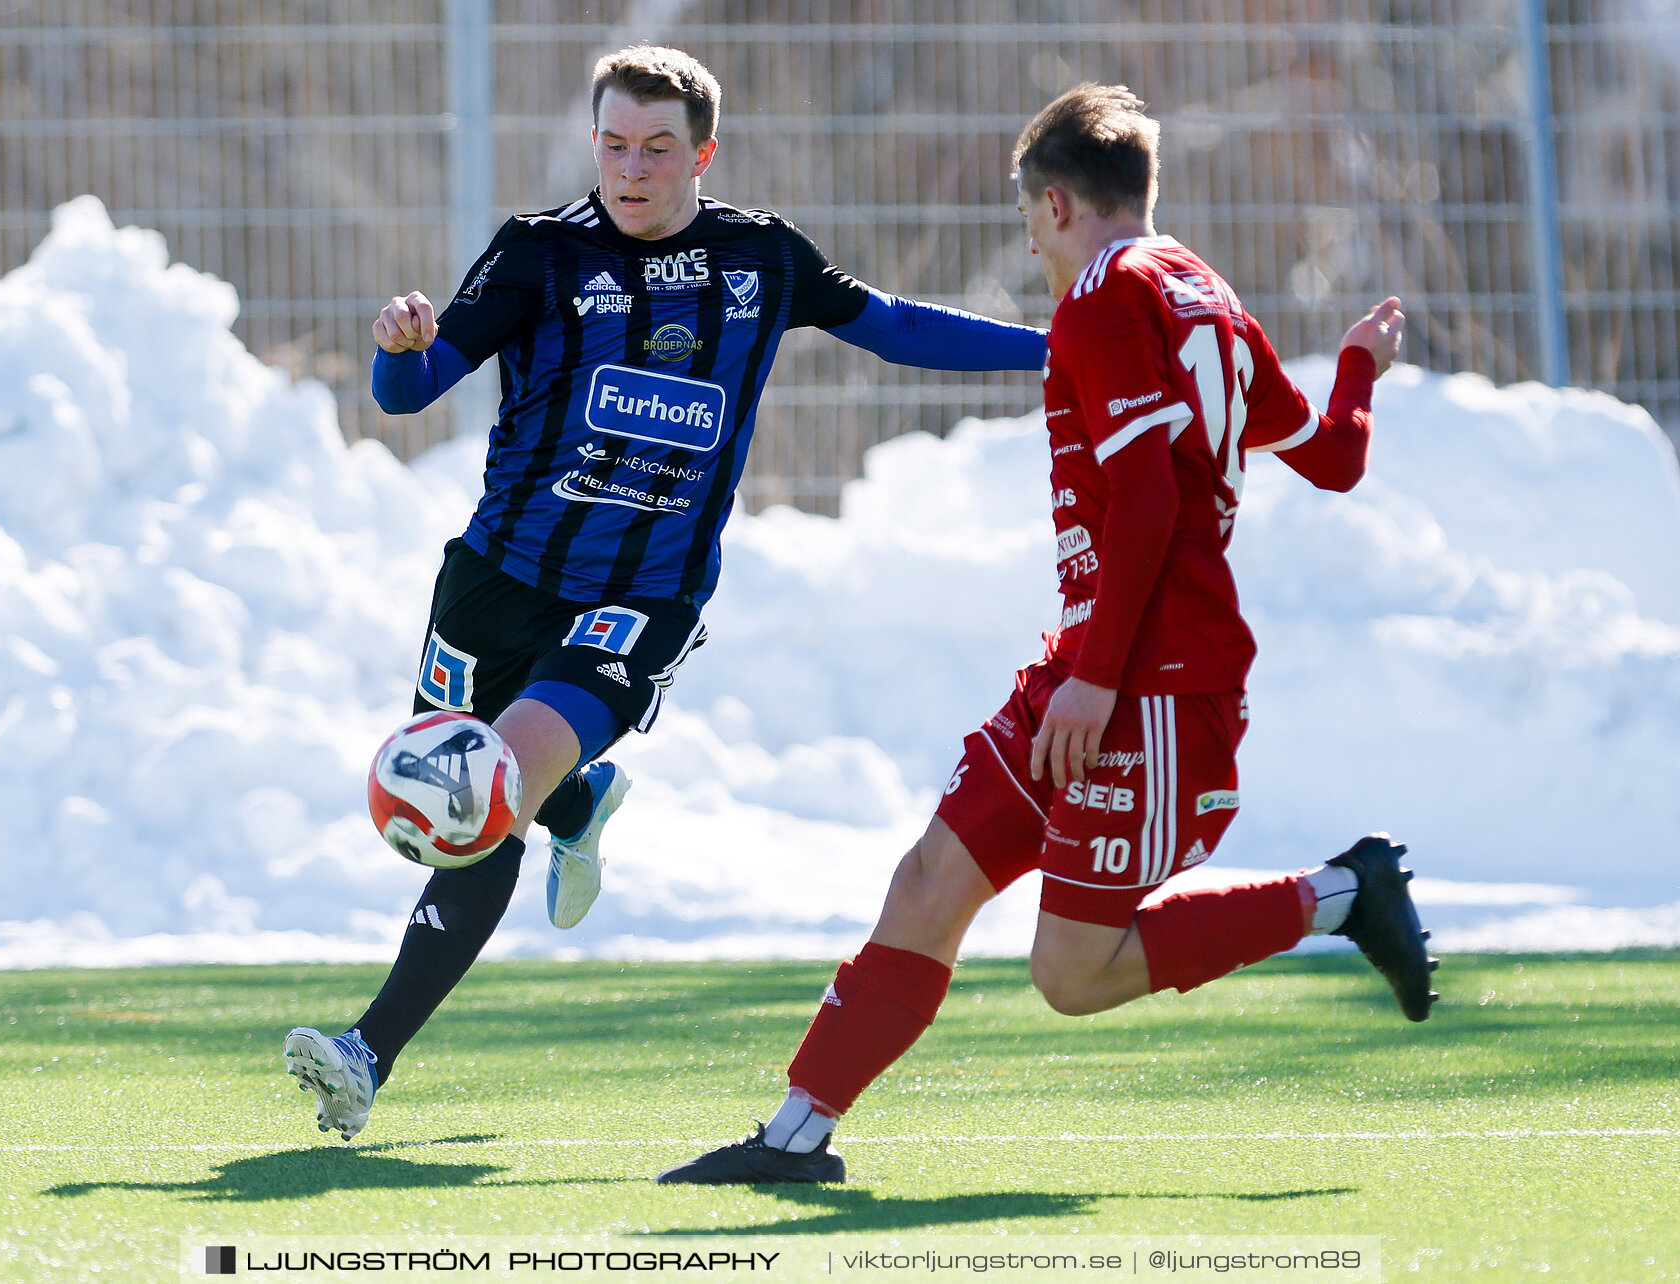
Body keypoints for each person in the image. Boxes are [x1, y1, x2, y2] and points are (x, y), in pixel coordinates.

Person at [657, 83, 1432, 1186]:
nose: (1030, 246)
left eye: (1028, 221)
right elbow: (1333, 454)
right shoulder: (1204, 294)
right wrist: (1357, 366)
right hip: (1093, 668)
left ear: (1059, 203)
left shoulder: (1105, 300)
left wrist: (1100, 684)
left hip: (1149, 684)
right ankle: (795, 1137)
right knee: (931, 877)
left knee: (1072, 973)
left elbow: (1154, 505)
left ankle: (1345, 893)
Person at [282, 44, 1048, 1142]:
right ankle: (578, 801)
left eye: (656, 148)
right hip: (495, 579)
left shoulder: (760, 260)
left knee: (476, 797)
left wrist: (1055, 346)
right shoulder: (537, 256)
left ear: (703, 153)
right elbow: (412, 390)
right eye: (612, 144)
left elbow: (895, 327)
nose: (630, 170)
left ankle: (365, 1054)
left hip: (638, 593)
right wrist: (396, 351)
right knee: (448, 802)